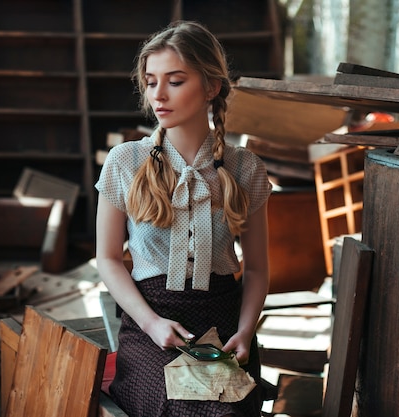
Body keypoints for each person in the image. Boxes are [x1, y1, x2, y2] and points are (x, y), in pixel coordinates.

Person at [95, 20, 272, 417]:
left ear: (211, 87)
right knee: (177, 406)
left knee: (229, 409)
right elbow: (107, 259)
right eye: (150, 81)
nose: (158, 94)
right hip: (151, 325)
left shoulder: (246, 168)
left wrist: (246, 332)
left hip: (225, 324)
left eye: (174, 81)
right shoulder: (126, 161)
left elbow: (257, 268)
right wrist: (152, 323)